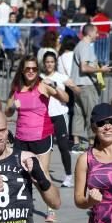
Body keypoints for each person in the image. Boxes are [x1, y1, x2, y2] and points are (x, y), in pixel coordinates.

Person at [5, 55, 68, 223]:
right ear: (23, 70)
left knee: (42, 173)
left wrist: (54, 86)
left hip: (41, 136)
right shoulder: (17, 87)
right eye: (28, 69)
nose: (31, 71)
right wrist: (12, 107)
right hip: (21, 137)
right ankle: (23, 209)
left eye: (34, 69)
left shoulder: (43, 86)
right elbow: (8, 112)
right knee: (21, 175)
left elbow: (65, 99)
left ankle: (51, 208)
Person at [71, 24, 112, 151]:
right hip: (86, 85)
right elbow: (84, 67)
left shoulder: (80, 45)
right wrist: (101, 69)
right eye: (96, 32)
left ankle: (76, 142)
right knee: (92, 113)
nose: (98, 35)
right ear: (89, 33)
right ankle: (91, 142)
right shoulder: (85, 47)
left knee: (78, 114)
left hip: (78, 84)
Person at [41, 51, 78, 188]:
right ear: (44, 63)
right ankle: (42, 174)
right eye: (47, 62)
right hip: (44, 117)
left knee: (63, 146)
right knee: (44, 148)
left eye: (51, 61)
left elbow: (77, 90)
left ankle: (68, 176)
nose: (49, 64)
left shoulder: (61, 77)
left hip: (60, 115)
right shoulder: (40, 77)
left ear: (55, 63)